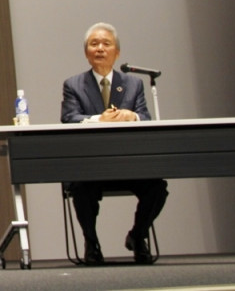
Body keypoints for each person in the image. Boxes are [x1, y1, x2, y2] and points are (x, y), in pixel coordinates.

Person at [60, 22, 167, 265]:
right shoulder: (73, 85)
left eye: (106, 44)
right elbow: (69, 118)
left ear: (117, 52)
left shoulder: (133, 84)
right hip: (92, 166)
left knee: (157, 187)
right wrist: (99, 119)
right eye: (94, 44)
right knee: (80, 188)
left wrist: (132, 116)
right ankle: (92, 243)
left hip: (129, 165)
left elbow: (146, 118)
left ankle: (138, 236)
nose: (100, 48)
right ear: (86, 52)